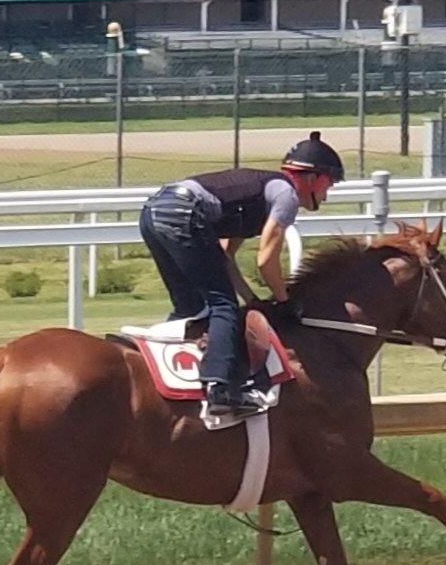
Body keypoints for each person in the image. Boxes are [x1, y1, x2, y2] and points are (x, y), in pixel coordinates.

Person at [138, 132, 345, 417]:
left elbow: (224, 258)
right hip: (183, 214)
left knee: (190, 308)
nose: (326, 194)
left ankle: (150, 371)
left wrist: (252, 298)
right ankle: (220, 390)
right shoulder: (286, 196)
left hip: (154, 212)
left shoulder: (261, 192)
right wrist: (284, 302)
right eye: (329, 184)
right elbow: (266, 260)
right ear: (312, 178)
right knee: (224, 307)